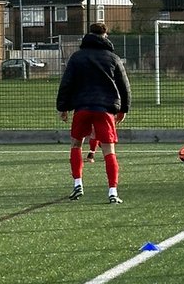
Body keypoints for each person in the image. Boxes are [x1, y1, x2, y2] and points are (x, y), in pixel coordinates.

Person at [56, 21, 131, 203]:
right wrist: (124, 108)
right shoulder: (112, 58)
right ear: (105, 37)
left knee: (76, 144)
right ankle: (112, 191)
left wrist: (63, 107)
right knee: (108, 150)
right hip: (104, 109)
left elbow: (67, 83)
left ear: (88, 36)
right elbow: (124, 85)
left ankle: (77, 183)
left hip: (82, 108)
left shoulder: (77, 57)